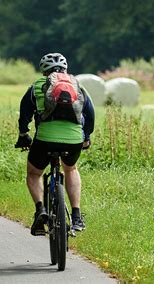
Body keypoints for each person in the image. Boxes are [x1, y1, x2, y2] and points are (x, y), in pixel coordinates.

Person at [15, 52, 95, 235]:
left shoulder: (36, 86)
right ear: (65, 68)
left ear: (43, 70)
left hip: (45, 139)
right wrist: (86, 137)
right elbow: (90, 115)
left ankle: (40, 209)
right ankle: (76, 216)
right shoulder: (77, 85)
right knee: (71, 169)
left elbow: (24, 114)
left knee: (34, 173)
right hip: (74, 140)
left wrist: (23, 135)